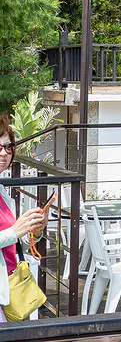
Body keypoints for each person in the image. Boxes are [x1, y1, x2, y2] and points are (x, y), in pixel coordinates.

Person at [0, 116, 48, 321]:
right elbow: (10, 234)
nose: (4, 152)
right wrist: (15, 231)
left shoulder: (2, 192)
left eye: (8, 147)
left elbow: (11, 242)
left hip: (9, 286)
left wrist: (33, 233)